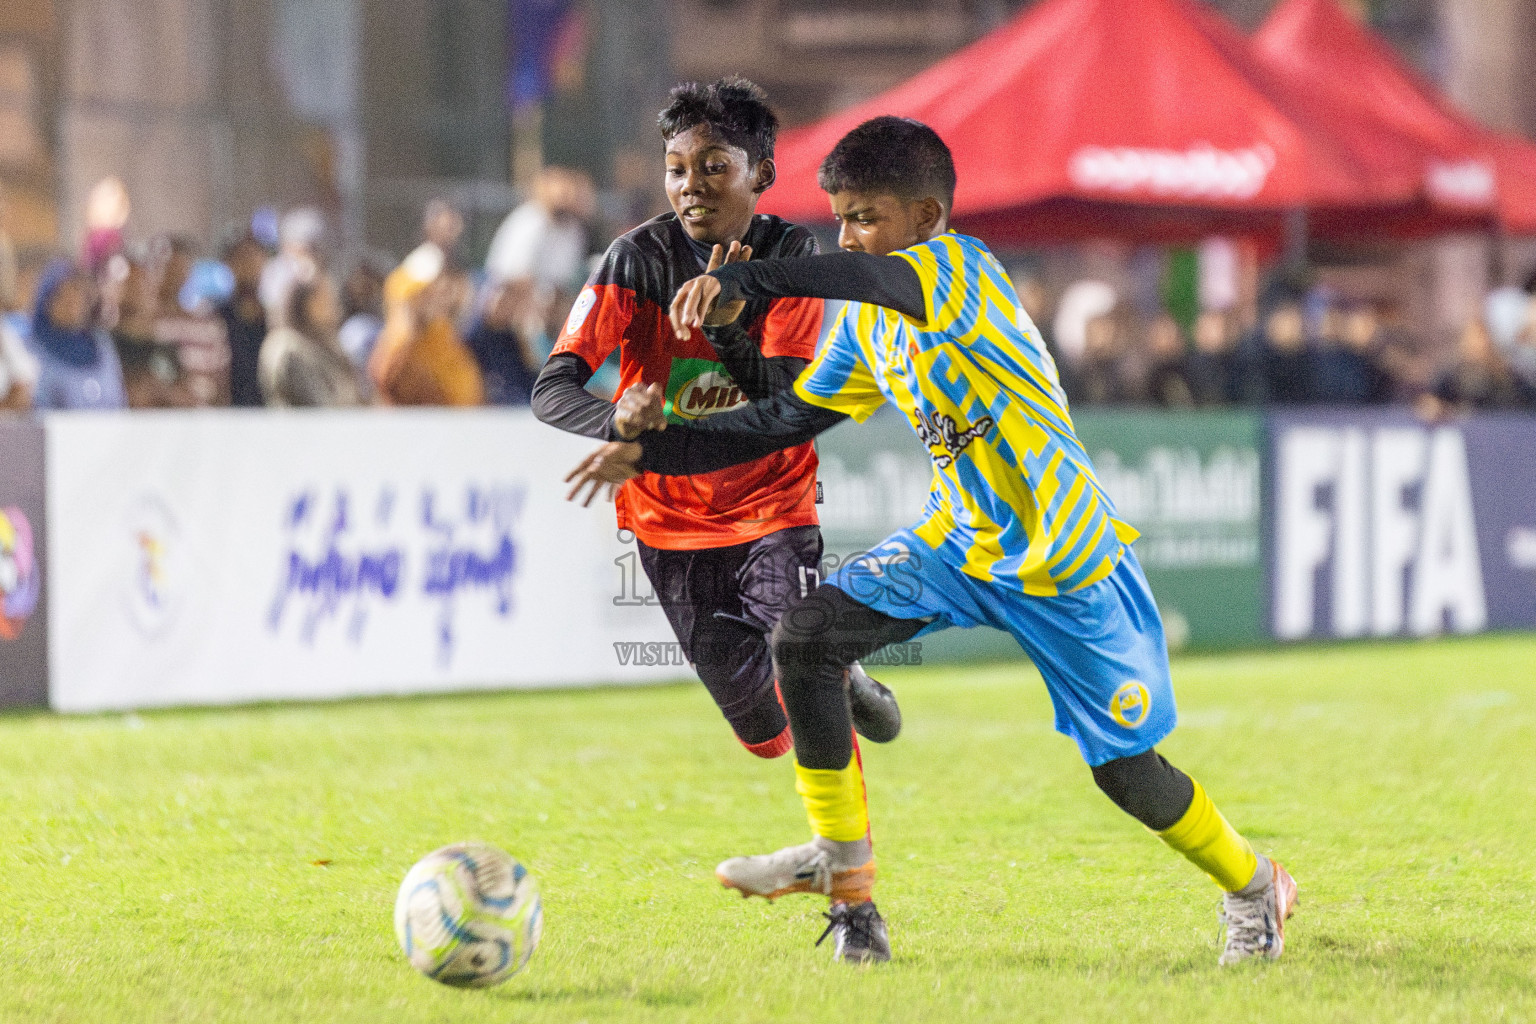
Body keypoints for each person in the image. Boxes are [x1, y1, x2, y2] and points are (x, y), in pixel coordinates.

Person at [565, 117, 1296, 967]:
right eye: (838, 216)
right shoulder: (869, 327)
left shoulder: (961, 272)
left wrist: (756, 281)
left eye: (866, 216)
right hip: (957, 543)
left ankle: (1253, 887)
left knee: (1127, 774)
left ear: (925, 217)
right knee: (801, 638)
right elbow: (782, 416)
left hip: (1064, 560)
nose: (846, 236)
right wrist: (680, 407)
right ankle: (850, 891)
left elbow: (870, 275)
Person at [532, 78, 902, 763]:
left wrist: (730, 331)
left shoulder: (792, 258)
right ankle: (838, 673)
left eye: (712, 167)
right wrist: (619, 421)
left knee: (801, 664)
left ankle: (849, 854)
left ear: (760, 173)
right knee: (763, 737)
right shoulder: (634, 260)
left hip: (774, 510)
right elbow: (552, 388)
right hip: (668, 526)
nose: (690, 186)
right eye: (676, 170)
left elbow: (782, 403)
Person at [30, 260, 126, 411]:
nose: (74, 305)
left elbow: (118, 399)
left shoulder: (100, 345)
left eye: (81, 297)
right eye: (66, 297)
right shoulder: (30, 346)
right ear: (47, 299)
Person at [259, 272, 362, 408]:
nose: (334, 304)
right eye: (325, 297)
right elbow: (316, 407)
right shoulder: (289, 349)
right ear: (307, 303)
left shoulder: (327, 343)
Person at [153, 236, 231, 406]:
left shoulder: (208, 325)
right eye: (168, 266)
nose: (174, 276)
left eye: (181, 267)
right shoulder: (144, 326)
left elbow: (221, 386)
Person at [468, 279, 542, 406]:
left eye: (510, 303)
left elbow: (531, 378)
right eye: (501, 301)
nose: (504, 307)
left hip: (520, 405)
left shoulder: (513, 339)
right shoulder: (472, 336)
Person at [219, 228, 270, 408]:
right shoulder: (217, 319)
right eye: (241, 258)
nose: (248, 265)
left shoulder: (275, 321)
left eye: (254, 257)